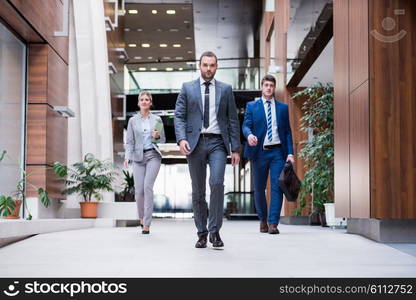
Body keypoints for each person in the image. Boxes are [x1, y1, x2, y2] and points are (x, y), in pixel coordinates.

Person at [174, 51, 240, 248]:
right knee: (198, 191)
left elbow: (232, 120)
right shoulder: (187, 88)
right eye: (205, 65)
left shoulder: (226, 89)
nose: (208, 69)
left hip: (218, 143)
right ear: (199, 66)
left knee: (217, 183)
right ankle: (201, 233)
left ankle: (214, 231)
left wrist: (235, 148)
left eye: (212, 65)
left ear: (216, 67)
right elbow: (179, 116)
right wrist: (181, 139)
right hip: (195, 144)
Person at [242, 74, 294, 234]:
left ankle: (273, 223)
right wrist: (249, 135)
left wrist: (290, 153)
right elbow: (246, 125)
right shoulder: (252, 106)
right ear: (262, 87)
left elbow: (287, 132)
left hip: (278, 152)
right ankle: (263, 219)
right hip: (259, 153)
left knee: (277, 187)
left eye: (271, 85)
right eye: (266, 85)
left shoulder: (283, 108)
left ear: (274, 87)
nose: (269, 88)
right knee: (259, 189)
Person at [124, 91, 165, 234]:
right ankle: (141, 217)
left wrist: (157, 135)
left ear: (150, 102)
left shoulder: (158, 120)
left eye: (147, 99)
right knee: (139, 191)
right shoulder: (133, 121)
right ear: (138, 102)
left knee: (148, 187)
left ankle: (147, 223)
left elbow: (162, 139)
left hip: (153, 155)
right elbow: (129, 141)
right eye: (142, 99)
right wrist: (127, 156)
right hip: (137, 157)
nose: (144, 101)